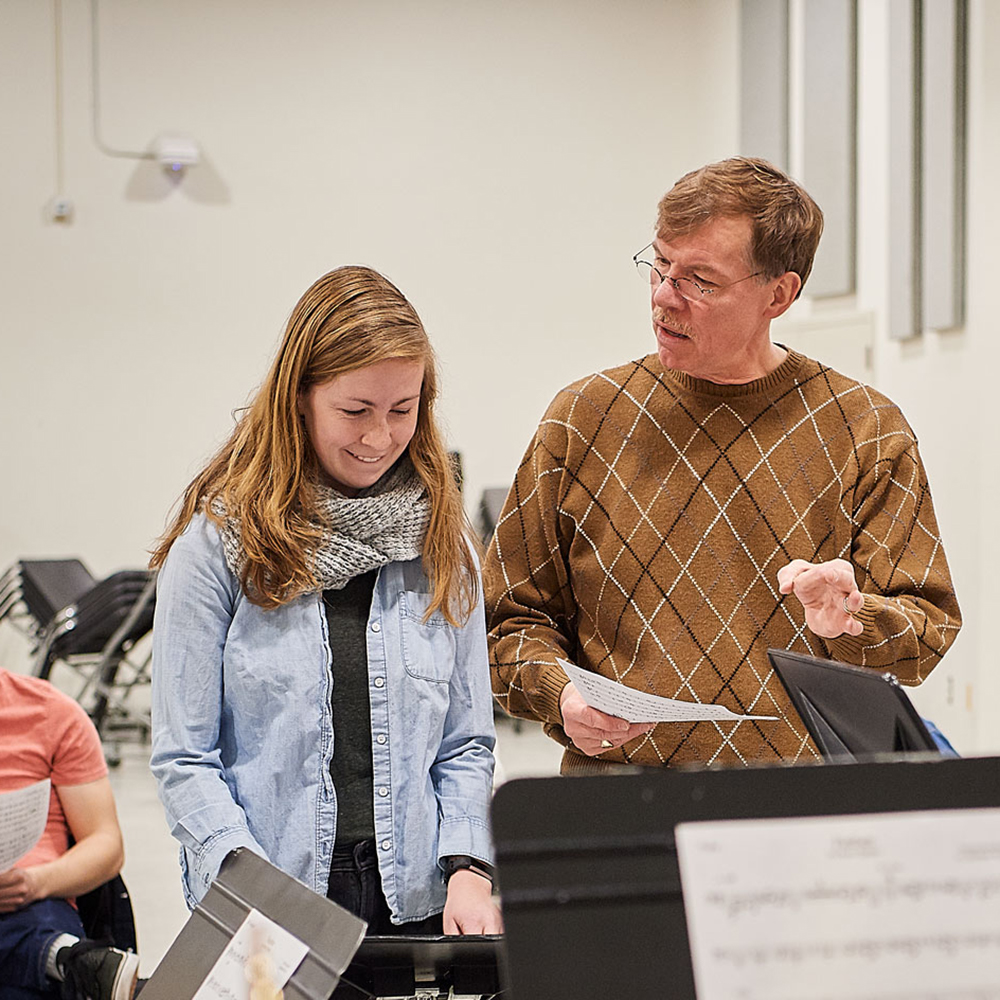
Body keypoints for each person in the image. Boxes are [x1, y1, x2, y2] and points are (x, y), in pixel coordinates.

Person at [484, 156, 961, 773]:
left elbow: (925, 636)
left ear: (778, 295)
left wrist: (854, 619)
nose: (662, 297)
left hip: (800, 819)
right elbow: (505, 624)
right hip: (619, 811)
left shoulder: (865, 430)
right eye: (659, 265)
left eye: (698, 281)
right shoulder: (583, 419)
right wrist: (562, 695)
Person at [149, 266, 500, 935]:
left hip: (419, 896)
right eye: (355, 411)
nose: (378, 438)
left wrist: (469, 872)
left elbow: (466, 744)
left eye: (403, 410)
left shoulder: (443, 543)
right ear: (300, 397)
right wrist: (245, 884)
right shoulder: (220, 543)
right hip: (265, 896)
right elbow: (185, 759)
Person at [0, 668, 139, 1000]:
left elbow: (106, 845)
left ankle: (59, 954)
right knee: (42, 946)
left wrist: (32, 883)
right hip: (36, 929)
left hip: (31, 896)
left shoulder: (51, 715)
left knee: (36, 927)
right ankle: (61, 957)